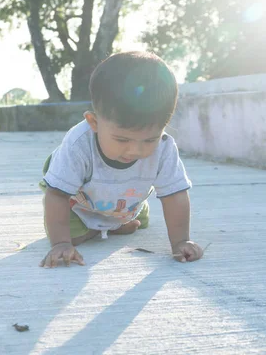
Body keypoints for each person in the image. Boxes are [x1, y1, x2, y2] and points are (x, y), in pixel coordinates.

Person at [39, 51, 204, 268]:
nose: (135, 150)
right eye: (122, 139)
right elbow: (57, 195)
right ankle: (102, 227)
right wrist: (60, 243)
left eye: (148, 140)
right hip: (77, 204)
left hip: (125, 201)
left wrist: (181, 241)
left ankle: (116, 221)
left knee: (138, 222)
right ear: (94, 122)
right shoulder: (78, 145)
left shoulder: (164, 146)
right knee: (73, 237)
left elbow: (175, 195)